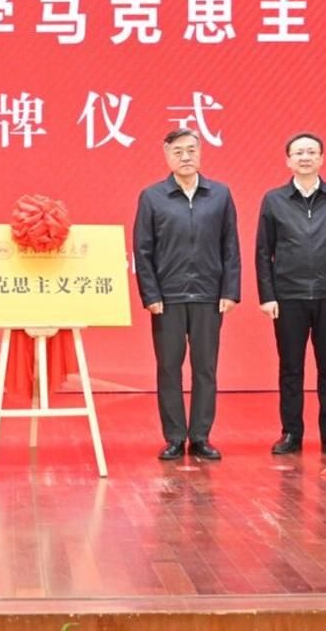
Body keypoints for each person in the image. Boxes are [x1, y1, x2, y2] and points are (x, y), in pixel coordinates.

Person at [133, 128, 240, 461]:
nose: (185, 157)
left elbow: (230, 246)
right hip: (168, 297)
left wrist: (230, 290)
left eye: (191, 150)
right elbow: (142, 250)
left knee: (205, 368)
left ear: (200, 152)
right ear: (167, 155)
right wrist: (150, 294)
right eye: (177, 151)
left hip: (209, 294)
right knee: (169, 367)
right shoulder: (152, 196)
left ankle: (201, 436)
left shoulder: (219, 194)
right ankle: (175, 437)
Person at [254, 133, 326, 457]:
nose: (305, 157)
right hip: (288, 296)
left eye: (311, 152)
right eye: (299, 153)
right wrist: (267, 295)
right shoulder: (274, 200)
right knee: (291, 368)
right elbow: (263, 252)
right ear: (288, 160)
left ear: (321, 158)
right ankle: (291, 433)